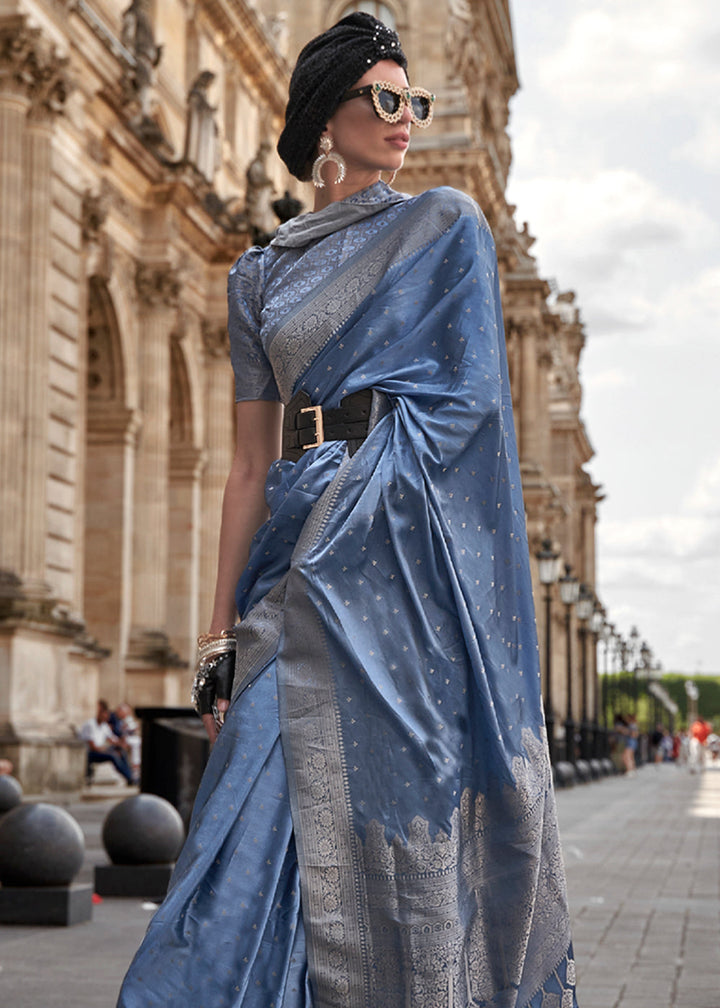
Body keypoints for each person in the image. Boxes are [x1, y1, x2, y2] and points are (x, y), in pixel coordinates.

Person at [118, 13, 577, 1007]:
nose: (407, 116)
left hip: (399, 570)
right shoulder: (259, 274)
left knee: (395, 809)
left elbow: (468, 415)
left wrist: (360, 491)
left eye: (413, 99)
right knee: (248, 797)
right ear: (325, 115)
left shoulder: (446, 225)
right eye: (385, 97)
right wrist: (217, 634)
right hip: (295, 555)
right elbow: (247, 465)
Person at [79, 699, 134, 785]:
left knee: (121, 751)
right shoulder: (90, 725)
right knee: (113, 756)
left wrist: (121, 744)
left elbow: (112, 739)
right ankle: (128, 777)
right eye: (105, 714)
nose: (107, 717)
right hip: (90, 753)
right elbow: (93, 746)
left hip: (100, 750)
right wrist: (109, 750)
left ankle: (130, 777)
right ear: (100, 714)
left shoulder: (104, 726)